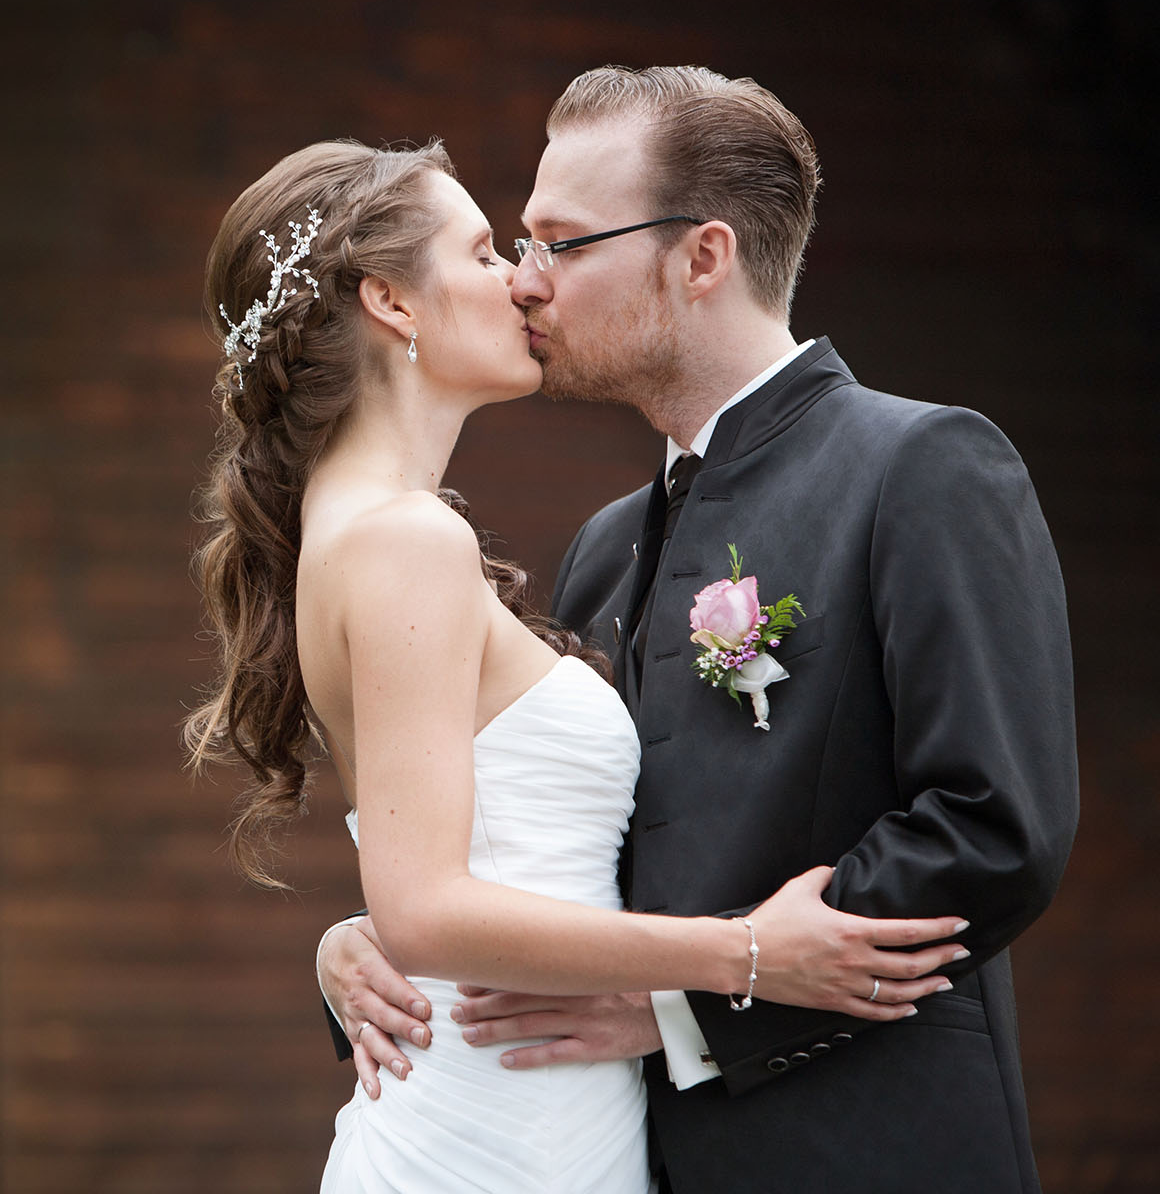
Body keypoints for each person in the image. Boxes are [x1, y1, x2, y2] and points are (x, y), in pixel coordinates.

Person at [317, 67, 1079, 1193]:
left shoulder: (922, 467)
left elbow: (994, 825)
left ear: (702, 257)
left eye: (562, 242)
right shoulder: (603, 546)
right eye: (517, 243)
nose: (528, 281)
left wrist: (689, 1007)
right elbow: (565, 851)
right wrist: (366, 941)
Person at [189, 137, 972, 1194]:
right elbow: (425, 907)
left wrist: (354, 939)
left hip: (546, 1106)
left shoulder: (358, 528)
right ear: (390, 300)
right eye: (481, 252)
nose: (522, 279)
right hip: (497, 1133)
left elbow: (443, 870)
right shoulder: (406, 540)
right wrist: (742, 954)